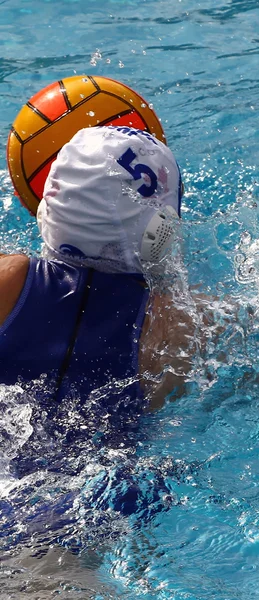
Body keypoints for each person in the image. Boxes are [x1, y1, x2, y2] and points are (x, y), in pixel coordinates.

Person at [0, 126, 199, 460]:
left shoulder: (8, 277)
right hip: (116, 494)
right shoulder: (183, 325)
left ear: (48, 206)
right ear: (162, 227)